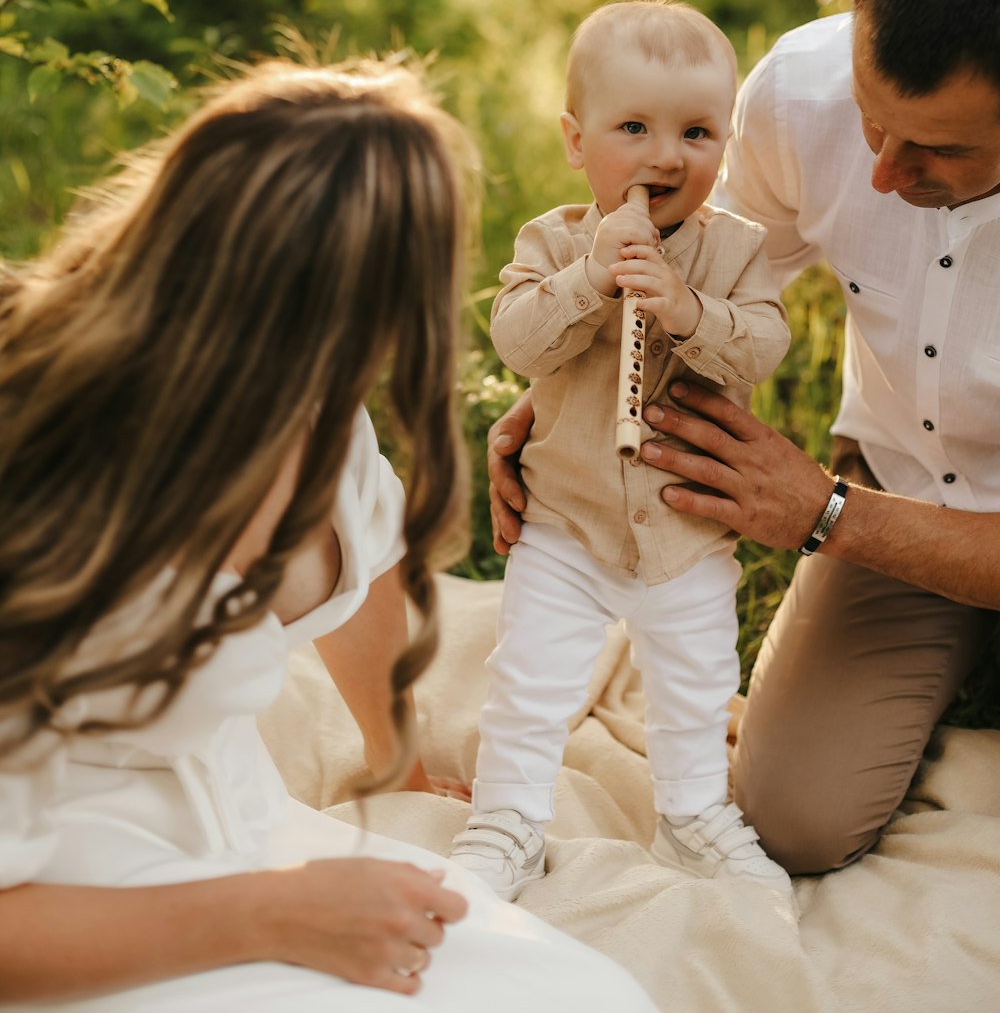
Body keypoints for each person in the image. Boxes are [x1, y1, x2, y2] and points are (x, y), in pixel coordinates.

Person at [0, 58, 658, 1013]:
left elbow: (363, 565)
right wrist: (272, 916)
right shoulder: (49, 477)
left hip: (240, 838)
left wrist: (399, 751)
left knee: (595, 1002)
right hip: (69, 901)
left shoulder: (312, 416)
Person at [489, 0, 1000, 879]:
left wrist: (824, 515)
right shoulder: (794, 89)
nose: (886, 174)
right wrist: (572, 395)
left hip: (858, 510)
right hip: (898, 483)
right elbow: (691, 280)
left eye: (942, 149)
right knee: (793, 817)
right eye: (870, 123)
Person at [449, 0, 792, 902]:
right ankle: (509, 820)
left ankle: (692, 815)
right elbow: (519, 342)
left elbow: (762, 345)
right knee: (529, 683)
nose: (666, 155)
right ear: (576, 139)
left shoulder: (736, 252)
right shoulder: (553, 241)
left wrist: (684, 312)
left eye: (697, 131)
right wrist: (593, 277)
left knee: (694, 685)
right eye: (633, 127)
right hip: (566, 521)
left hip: (686, 532)